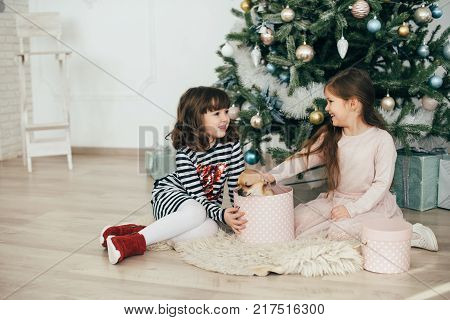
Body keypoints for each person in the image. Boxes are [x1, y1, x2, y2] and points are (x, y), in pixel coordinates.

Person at [263, 68, 438, 251]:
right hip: (337, 201)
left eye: (331, 102)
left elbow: (381, 185)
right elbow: (302, 160)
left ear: (353, 104)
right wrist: (271, 176)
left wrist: (352, 210)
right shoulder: (332, 137)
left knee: (341, 232)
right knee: (298, 219)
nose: (327, 108)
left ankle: (413, 234)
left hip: (369, 205)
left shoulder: (381, 139)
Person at [100, 87, 246, 264]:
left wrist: (240, 215)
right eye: (216, 113)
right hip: (169, 195)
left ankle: (135, 231)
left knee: (211, 229)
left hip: (201, 209)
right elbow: (197, 198)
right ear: (197, 118)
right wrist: (222, 214)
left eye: (225, 111)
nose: (225, 118)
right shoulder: (186, 152)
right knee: (197, 212)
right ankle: (129, 243)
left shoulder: (231, 144)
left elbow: (237, 184)